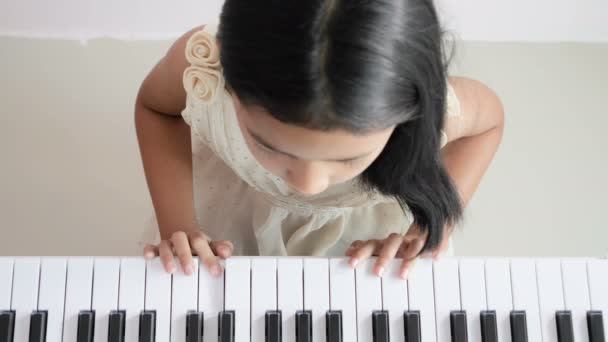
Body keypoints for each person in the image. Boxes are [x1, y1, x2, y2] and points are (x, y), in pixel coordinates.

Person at [135, 0, 504, 279]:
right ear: (232, 88)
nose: (308, 185)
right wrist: (179, 224)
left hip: (363, 234)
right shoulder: (203, 66)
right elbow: (156, 108)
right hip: (233, 210)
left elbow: (487, 125)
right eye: (269, 144)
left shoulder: (431, 110)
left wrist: (427, 230)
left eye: (348, 158)